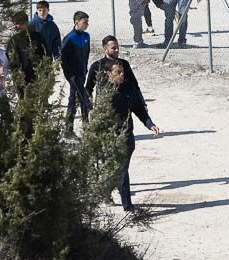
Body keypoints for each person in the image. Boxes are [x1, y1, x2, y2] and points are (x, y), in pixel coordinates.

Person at [104, 61, 158, 212]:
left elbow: (138, 108)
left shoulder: (128, 87)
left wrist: (149, 123)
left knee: (121, 170)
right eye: (118, 73)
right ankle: (127, 206)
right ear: (108, 74)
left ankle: (124, 204)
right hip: (112, 138)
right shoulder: (106, 94)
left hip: (127, 136)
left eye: (122, 72)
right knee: (120, 170)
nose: (122, 75)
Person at [60, 11, 91, 131]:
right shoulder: (69, 38)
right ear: (76, 22)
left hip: (82, 73)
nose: (87, 24)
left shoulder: (86, 36)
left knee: (74, 99)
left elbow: (87, 54)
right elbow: (63, 58)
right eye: (85, 22)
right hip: (73, 75)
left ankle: (74, 127)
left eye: (87, 22)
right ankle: (81, 126)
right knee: (82, 99)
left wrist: (85, 68)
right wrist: (69, 75)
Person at [87, 35, 142, 102]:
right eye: (113, 48)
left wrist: (141, 103)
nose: (117, 50)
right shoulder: (97, 66)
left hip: (123, 105)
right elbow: (88, 88)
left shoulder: (124, 64)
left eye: (118, 47)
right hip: (104, 106)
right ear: (105, 49)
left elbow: (134, 85)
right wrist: (88, 106)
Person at [6, 11, 36, 91]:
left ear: (25, 23)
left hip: (35, 76)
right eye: (14, 24)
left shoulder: (36, 37)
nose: (16, 27)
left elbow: (44, 54)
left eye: (18, 24)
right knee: (23, 100)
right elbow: (10, 58)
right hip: (20, 77)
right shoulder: (13, 41)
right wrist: (16, 70)